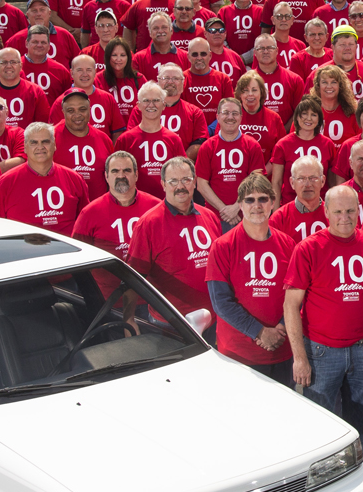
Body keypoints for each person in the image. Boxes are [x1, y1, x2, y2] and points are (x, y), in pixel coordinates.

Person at [283, 183, 363, 456]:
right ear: (326, 212)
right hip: (321, 353)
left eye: (350, 211)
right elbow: (291, 304)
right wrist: (299, 356)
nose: (344, 217)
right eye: (338, 212)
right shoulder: (308, 249)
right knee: (320, 430)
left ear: (358, 211)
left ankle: (362, 489)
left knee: (362, 430)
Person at [204, 175, 299, 383]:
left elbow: (296, 296)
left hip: (281, 351)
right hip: (238, 354)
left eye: (263, 199)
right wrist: (259, 333)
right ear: (239, 204)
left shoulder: (288, 244)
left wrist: (280, 330)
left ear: (273, 203)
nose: (257, 205)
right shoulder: (222, 246)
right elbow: (220, 303)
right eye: (249, 200)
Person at [127, 155, 222, 313]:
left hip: (214, 316)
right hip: (172, 322)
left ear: (194, 181)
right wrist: (128, 319)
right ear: (163, 184)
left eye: (186, 179)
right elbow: (134, 276)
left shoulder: (210, 217)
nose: (180, 186)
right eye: (173, 181)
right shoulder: (148, 224)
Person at [0, 123, 88, 233]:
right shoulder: (3, 183)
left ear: (54, 145)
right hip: (21, 248)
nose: (40, 147)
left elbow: (85, 222)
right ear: (25, 147)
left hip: (67, 248)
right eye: (33, 142)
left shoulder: (75, 179)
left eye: (45, 141)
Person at [71, 150, 154, 259]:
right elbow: (77, 255)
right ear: (106, 176)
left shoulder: (155, 207)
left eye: (127, 170)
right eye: (115, 171)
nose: (121, 176)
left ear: (136, 175)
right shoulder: (89, 213)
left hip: (144, 276)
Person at [268, 97, 338, 201]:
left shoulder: (328, 144)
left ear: (319, 119)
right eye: (304, 113)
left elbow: (332, 183)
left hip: (320, 206)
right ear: (296, 117)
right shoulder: (283, 145)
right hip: (289, 204)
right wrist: (276, 212)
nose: (308, 118)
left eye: (314, 115)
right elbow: (276, 182)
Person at [51, 88, 114, 193]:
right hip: (64, 206)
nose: (77, 114)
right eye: (71, 110)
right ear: (63, 112)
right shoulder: (50, 138)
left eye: (82, 109)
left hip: (96, 206)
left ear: (90, 109)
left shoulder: (104, 139)